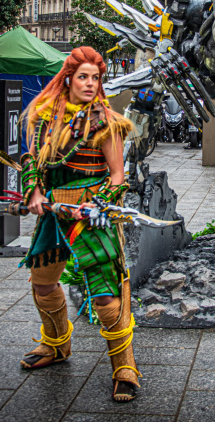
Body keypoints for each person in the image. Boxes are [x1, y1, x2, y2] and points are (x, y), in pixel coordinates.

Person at [19, 46, 139, 402]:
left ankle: (124, 366)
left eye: (96, 78)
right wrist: (34, 193)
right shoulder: (44, 118)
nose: (90, 83)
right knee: (42, 284)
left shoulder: (107, 122)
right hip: (54, 215)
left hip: (92, 215)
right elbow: (30, 160)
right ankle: (55, 345)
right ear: (68, 78)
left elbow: (118, 176)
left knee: (104, 297)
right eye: (83, 76)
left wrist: (99, 205)